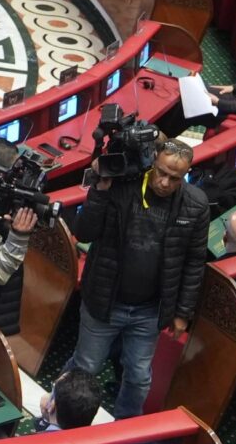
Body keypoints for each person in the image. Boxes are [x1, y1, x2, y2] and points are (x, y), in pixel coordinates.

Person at [64, 140, 212, 408]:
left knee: (139, 377)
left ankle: (127, 427)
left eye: (175, 178)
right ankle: (56, 412)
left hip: (150, 310)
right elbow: (84, 233)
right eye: (162, 173)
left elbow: (194, 263)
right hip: (105, 300)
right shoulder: (121, 185)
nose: (165, 183)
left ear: (186, 175)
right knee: (85, 368)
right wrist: (100, 190)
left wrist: (182, 313)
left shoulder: (196, 204)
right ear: (153, 160)